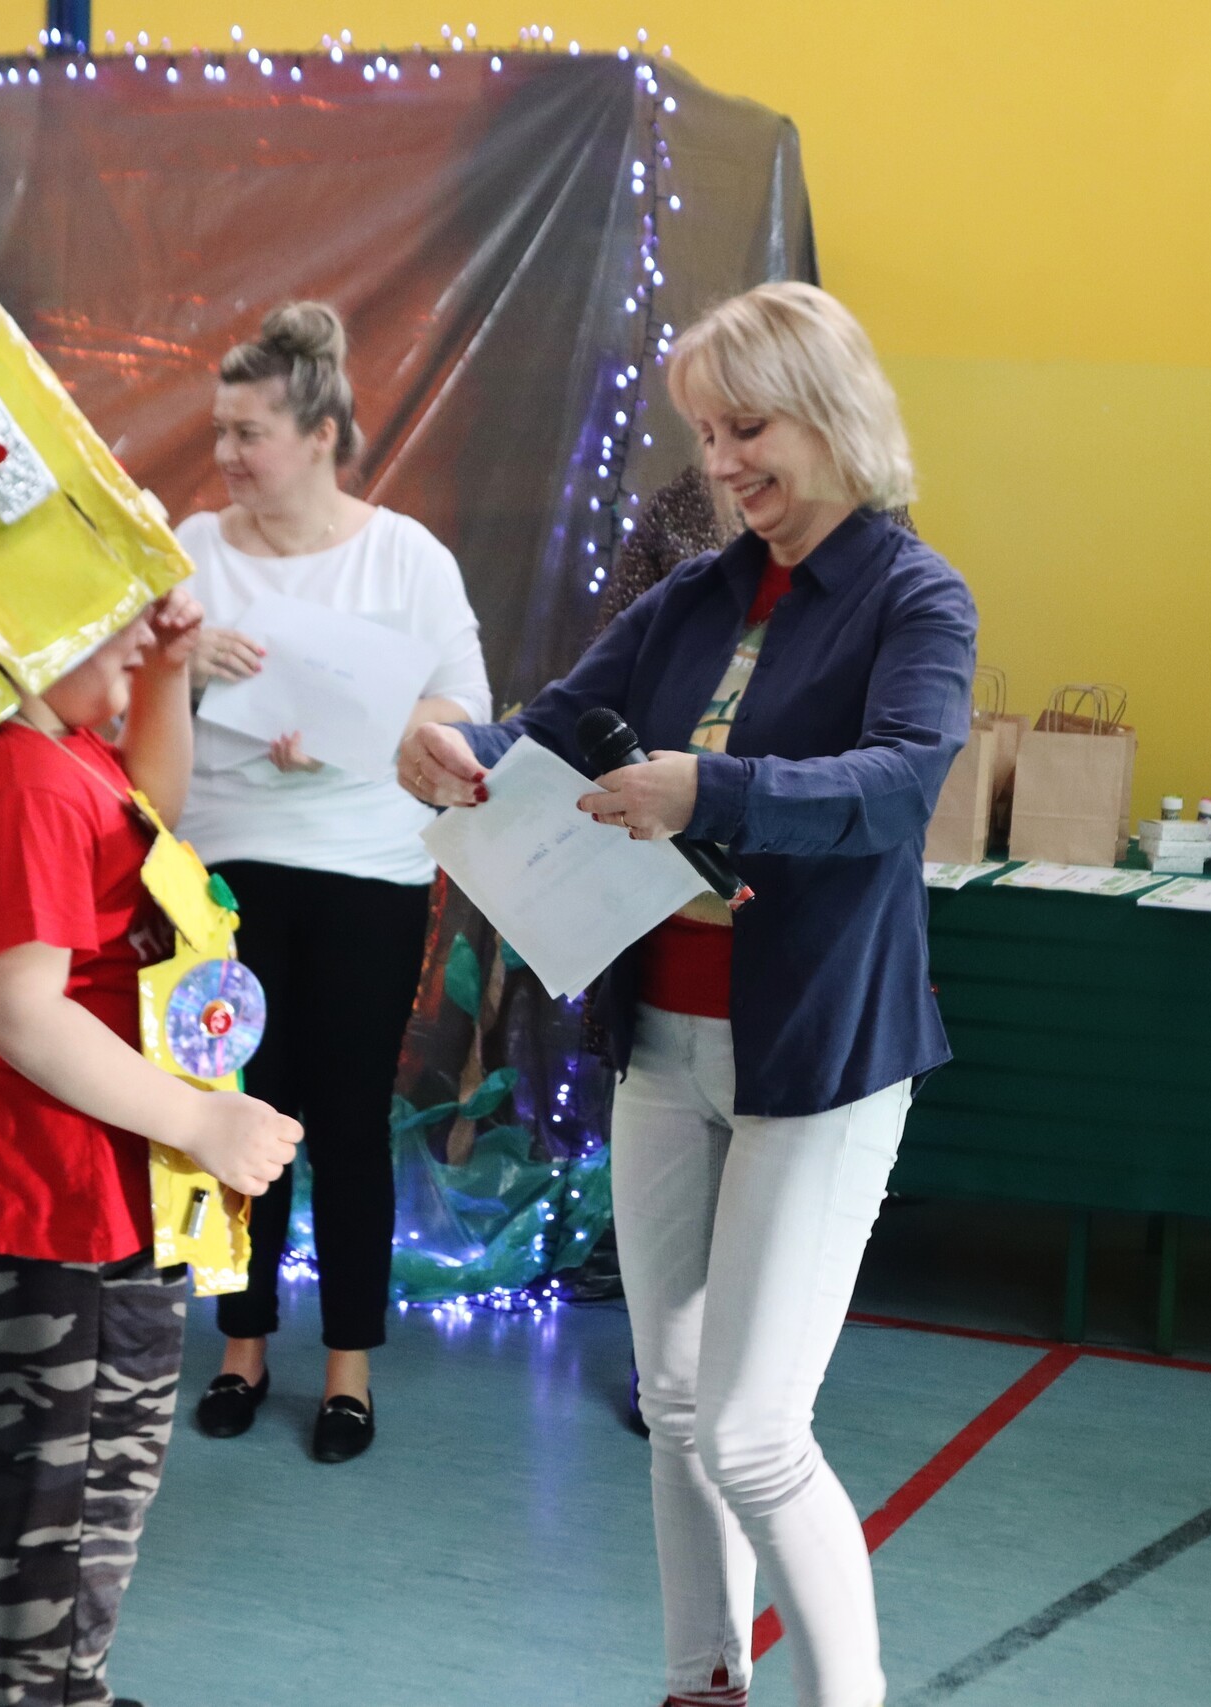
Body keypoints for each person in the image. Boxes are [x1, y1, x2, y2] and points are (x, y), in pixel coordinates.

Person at [400, 281, 976, 1707]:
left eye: (747, 429)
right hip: (663, 1042)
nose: (722, 463)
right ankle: (700, 1679)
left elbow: (899, 783)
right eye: (708, 434)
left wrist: (707, 790)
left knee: (754, 1433)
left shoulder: (918, 597)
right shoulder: (698, 597)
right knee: (673, 1403)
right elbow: (544, 732)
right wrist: (455, 751)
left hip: (820, 1057)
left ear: (832, 416)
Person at [0, 585, 300, 1705]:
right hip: (65, 1197)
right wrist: (203, 1121)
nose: (134, 655)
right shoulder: (21, 783)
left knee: (6, 1491)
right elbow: (23, 1012)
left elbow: (139, 819)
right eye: (118, 639)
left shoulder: (32, 749)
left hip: (29, 1182)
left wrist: (162, 672)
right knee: (67, 1521)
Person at [175, 302, 491, 1463]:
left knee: (348, 1118)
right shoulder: (195, 548)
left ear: (320, 436)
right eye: (219, 431)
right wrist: (181, 665)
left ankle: (348, 1365)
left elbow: (465, 703)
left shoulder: (403, 556)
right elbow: (122, 690)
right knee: (235, 1109)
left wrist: (367, 722)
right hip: (221, 869)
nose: (225, 454)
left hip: (365, 866)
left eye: (248, 433)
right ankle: (241, 1346)